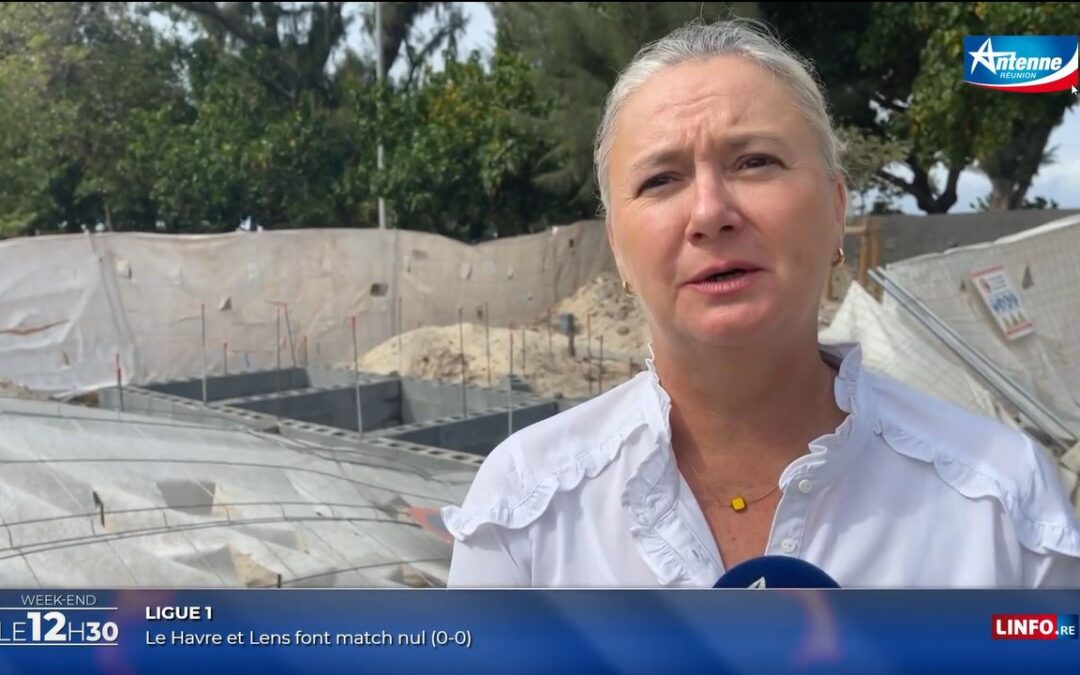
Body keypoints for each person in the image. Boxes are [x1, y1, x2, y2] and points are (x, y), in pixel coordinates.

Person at [441, 19, 1080, 588]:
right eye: (661, 179)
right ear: (617, 246)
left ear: (836, 209)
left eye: (755, 161)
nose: (711, 213)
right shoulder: (527, 509)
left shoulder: (1003, 508)